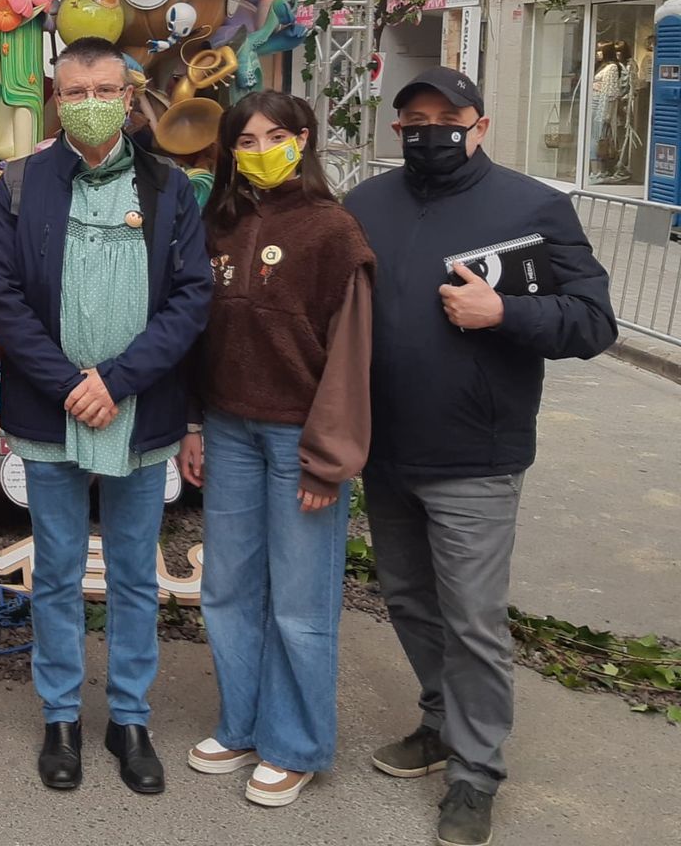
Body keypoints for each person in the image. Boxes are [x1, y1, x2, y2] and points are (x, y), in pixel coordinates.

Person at [344, 66, 616, 846]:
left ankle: (475, 773)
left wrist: (505, 312)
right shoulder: (365, 205)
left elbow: (593, 322)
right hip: (385, 451)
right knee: (409, 601)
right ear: (397, 130)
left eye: (447, 119)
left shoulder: (531, 207)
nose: (429, 132)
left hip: (476, 456)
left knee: (472, 618)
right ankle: (441, 722)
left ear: (481, 126)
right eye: (414, 121)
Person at [0, 38, 211, 795]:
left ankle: (129, 718)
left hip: (140, 413)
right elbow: (2, 297)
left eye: (105, 90)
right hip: (50, 415)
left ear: (128, 95)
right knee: (55, 572)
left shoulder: (171, 188)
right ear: (57, 98)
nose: (91, 103)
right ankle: (60, 717)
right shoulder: (19, 186)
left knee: (136, 575)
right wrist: (68, 384)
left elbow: (191, 299)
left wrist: (116, 381)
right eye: (76, 91)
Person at [178, 91, 374, 808]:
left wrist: (328, 457)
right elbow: (196, 334)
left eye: (274, 137)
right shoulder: (219, 224)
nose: (260, 151)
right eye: (246, 140)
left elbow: (350, 355)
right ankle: (242, 723)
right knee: (227, 587)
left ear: (304, 138)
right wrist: (193, 424)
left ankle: (294, 744)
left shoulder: (334, 231)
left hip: (300, 435)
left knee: (300, 598)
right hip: (228, 427)